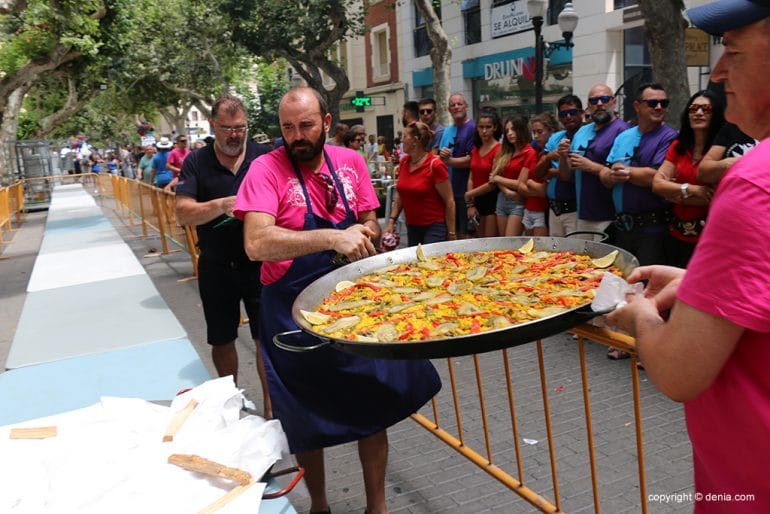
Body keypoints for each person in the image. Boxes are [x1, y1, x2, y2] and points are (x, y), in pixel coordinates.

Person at [234, 87, 441, 514]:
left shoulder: (350, 162)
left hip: (355, 301)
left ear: (327, 123)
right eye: (288, 128)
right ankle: (320, 505)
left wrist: (366, 231)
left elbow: (368, 217)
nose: (297, 136)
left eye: (306, 125)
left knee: (373, 403)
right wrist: (332, 237)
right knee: (305, 416)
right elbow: (256, 242)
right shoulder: (264, 170)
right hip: (290, 309)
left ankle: (377, 506)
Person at [607, 2, 770, 511]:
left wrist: (638, 318)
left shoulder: (753, 183)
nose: (718, 73)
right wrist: (703, 282)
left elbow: (678, 373)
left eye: (734, 52)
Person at [174, 94, 272, 417]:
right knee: (222, 338)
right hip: (216, 266)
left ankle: (273, 410)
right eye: (227, 128)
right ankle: (232, 403)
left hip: (261, 266)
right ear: (213, 125)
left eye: (240, 127)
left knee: (265, 339)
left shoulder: (264, 157)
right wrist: (220, 205)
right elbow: (183, 213)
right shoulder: (196, 162)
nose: (235, 134)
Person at [601, 83, 677, 266]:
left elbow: (657, 178)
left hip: (653, 231)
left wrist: (625, 171)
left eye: (663, 103)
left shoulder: (670, 137)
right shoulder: (623, 137)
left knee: (648, 286)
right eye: (652, 103)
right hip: (622, 229)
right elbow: (605, 172)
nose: (659, 107)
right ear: (637, 106)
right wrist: (610, 175)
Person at [651, 90, 725, 267]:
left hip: (709, 238)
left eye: (706, 109)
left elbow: (715, 197)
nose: (698, 113)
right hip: (676, 234)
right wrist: (691, 190)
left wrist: (675, 193)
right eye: (694, 108)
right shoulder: (679, 146)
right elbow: (657, 184)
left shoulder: (723, 149)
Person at [564, 84, 629, 240]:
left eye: (604, 99)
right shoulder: (582, 131)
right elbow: (569, 173)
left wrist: (590, 166)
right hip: (583, 214)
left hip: (610, 217)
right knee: (582, 263)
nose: (599, 103)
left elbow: (621, 175)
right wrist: (562, 156)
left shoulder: (624, 131)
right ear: (588, 106)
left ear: (613, 102)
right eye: (594, 101)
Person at [384, 121, 455, 245]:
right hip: (412, 227)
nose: (401, 140)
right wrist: (391, 221)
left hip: (434, 227)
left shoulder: (435, 165)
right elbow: (401, 194)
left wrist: (451, 233)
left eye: (405, 136)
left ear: (415, 140)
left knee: (430, 262)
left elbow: (449, 201)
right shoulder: (404, 162)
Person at [534, 94, 584, 237]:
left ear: (581, 113)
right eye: (563, 114)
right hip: (554, 209)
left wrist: (552, 171)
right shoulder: (556, 137)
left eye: (573, 112)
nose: (568, 117)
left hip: (575, 210)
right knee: (555, 255)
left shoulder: (586, 136)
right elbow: (537, 173)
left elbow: (570, 176)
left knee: (573, 255)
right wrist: (549, 157)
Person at [490, 116, 538, 236]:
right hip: (502, 198)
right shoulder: (505, 151)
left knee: (511, 241)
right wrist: (506, 191)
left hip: (518, 201)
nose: (510, 133)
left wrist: (498, 179)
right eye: (507, 131)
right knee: (503, 243)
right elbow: (493, 176)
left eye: (513, 129)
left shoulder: (529, 152)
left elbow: (519, 183)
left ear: (521, 129)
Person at [438, 93, 476, 238]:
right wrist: (442, 155)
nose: (456, 107)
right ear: (449, 109)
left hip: (466, 192)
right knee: (453, 233)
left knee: (467, 236)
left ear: (466, 106)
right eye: (453, 105)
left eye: (459, 104)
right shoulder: (447, 131)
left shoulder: (473, 128)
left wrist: (449, 161)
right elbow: (440, 157)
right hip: (448, 192)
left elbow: (472, 160)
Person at [465, 110, 502, 238]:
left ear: (495, 128)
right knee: (478, 242)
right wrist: (470, 203)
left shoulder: (499, 149)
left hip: (492, 199)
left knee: (490, 242)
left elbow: (493, 183)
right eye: (481, 127)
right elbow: (471, 176)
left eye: (488, 127)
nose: (484, 131)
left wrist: (470, 194)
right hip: (476, 200)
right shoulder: (476, 149)